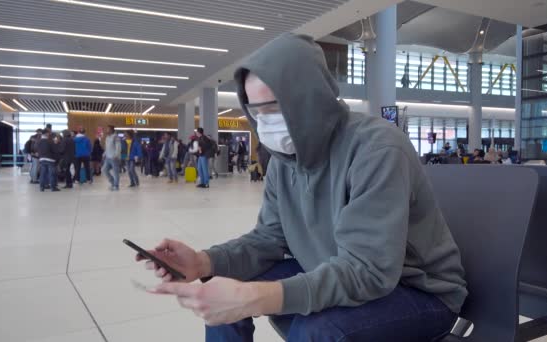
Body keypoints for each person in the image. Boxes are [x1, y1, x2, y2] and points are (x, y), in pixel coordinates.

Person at [137, 34, 466, 341]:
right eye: (256, 112)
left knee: (316, 330)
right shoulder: (284, 159)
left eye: (275, 108)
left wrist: (257, 298)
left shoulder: (377, 148)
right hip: (331, 265)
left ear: (311, 99)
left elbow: (370, 270)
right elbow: (268, 238)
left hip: (418, 290)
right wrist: (202, 262)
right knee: (225, 297)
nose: (265, 122)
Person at [102, 125, 121, 191]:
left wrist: (116, 155)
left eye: (108, 129)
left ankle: (116, 186)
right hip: (108, 157)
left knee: (115, 172)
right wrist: (104, 154)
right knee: (104, 170)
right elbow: (107, 147)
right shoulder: (107, 137)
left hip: (114, 158)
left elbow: (118, 147)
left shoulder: (115, 137)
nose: (107, 130)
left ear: (112, 130)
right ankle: (112, 182)